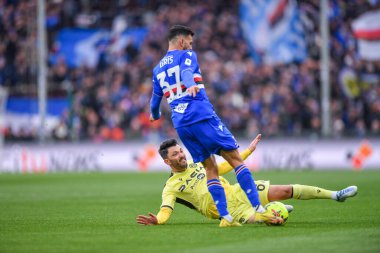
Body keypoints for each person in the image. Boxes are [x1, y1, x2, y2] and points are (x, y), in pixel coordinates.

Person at [149, 24, 266, 227]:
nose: (190, 46)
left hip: (182, 125)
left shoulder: (157, 68)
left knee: (210, 168)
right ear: (182, 40)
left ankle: (226, 217)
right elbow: (186, 71)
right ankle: (258, 207)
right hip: (200, 115)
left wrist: (155, 114)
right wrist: (190, 83)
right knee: (235, 158)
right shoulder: (187, 55)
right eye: (190, 42)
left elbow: (154, 101)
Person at [136, 134, 358, 226]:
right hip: (228, 211)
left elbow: (223, 167)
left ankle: (335, 195)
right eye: (175, 155)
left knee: (285, 189)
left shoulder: (197, 164)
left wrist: (248, 151)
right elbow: (166, 209)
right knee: (268, 220)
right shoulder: (171, 187)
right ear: (167, 162)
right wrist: (159, 220)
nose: (181, 156)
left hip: (237, 191)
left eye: (180, 151)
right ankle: (273, 211)